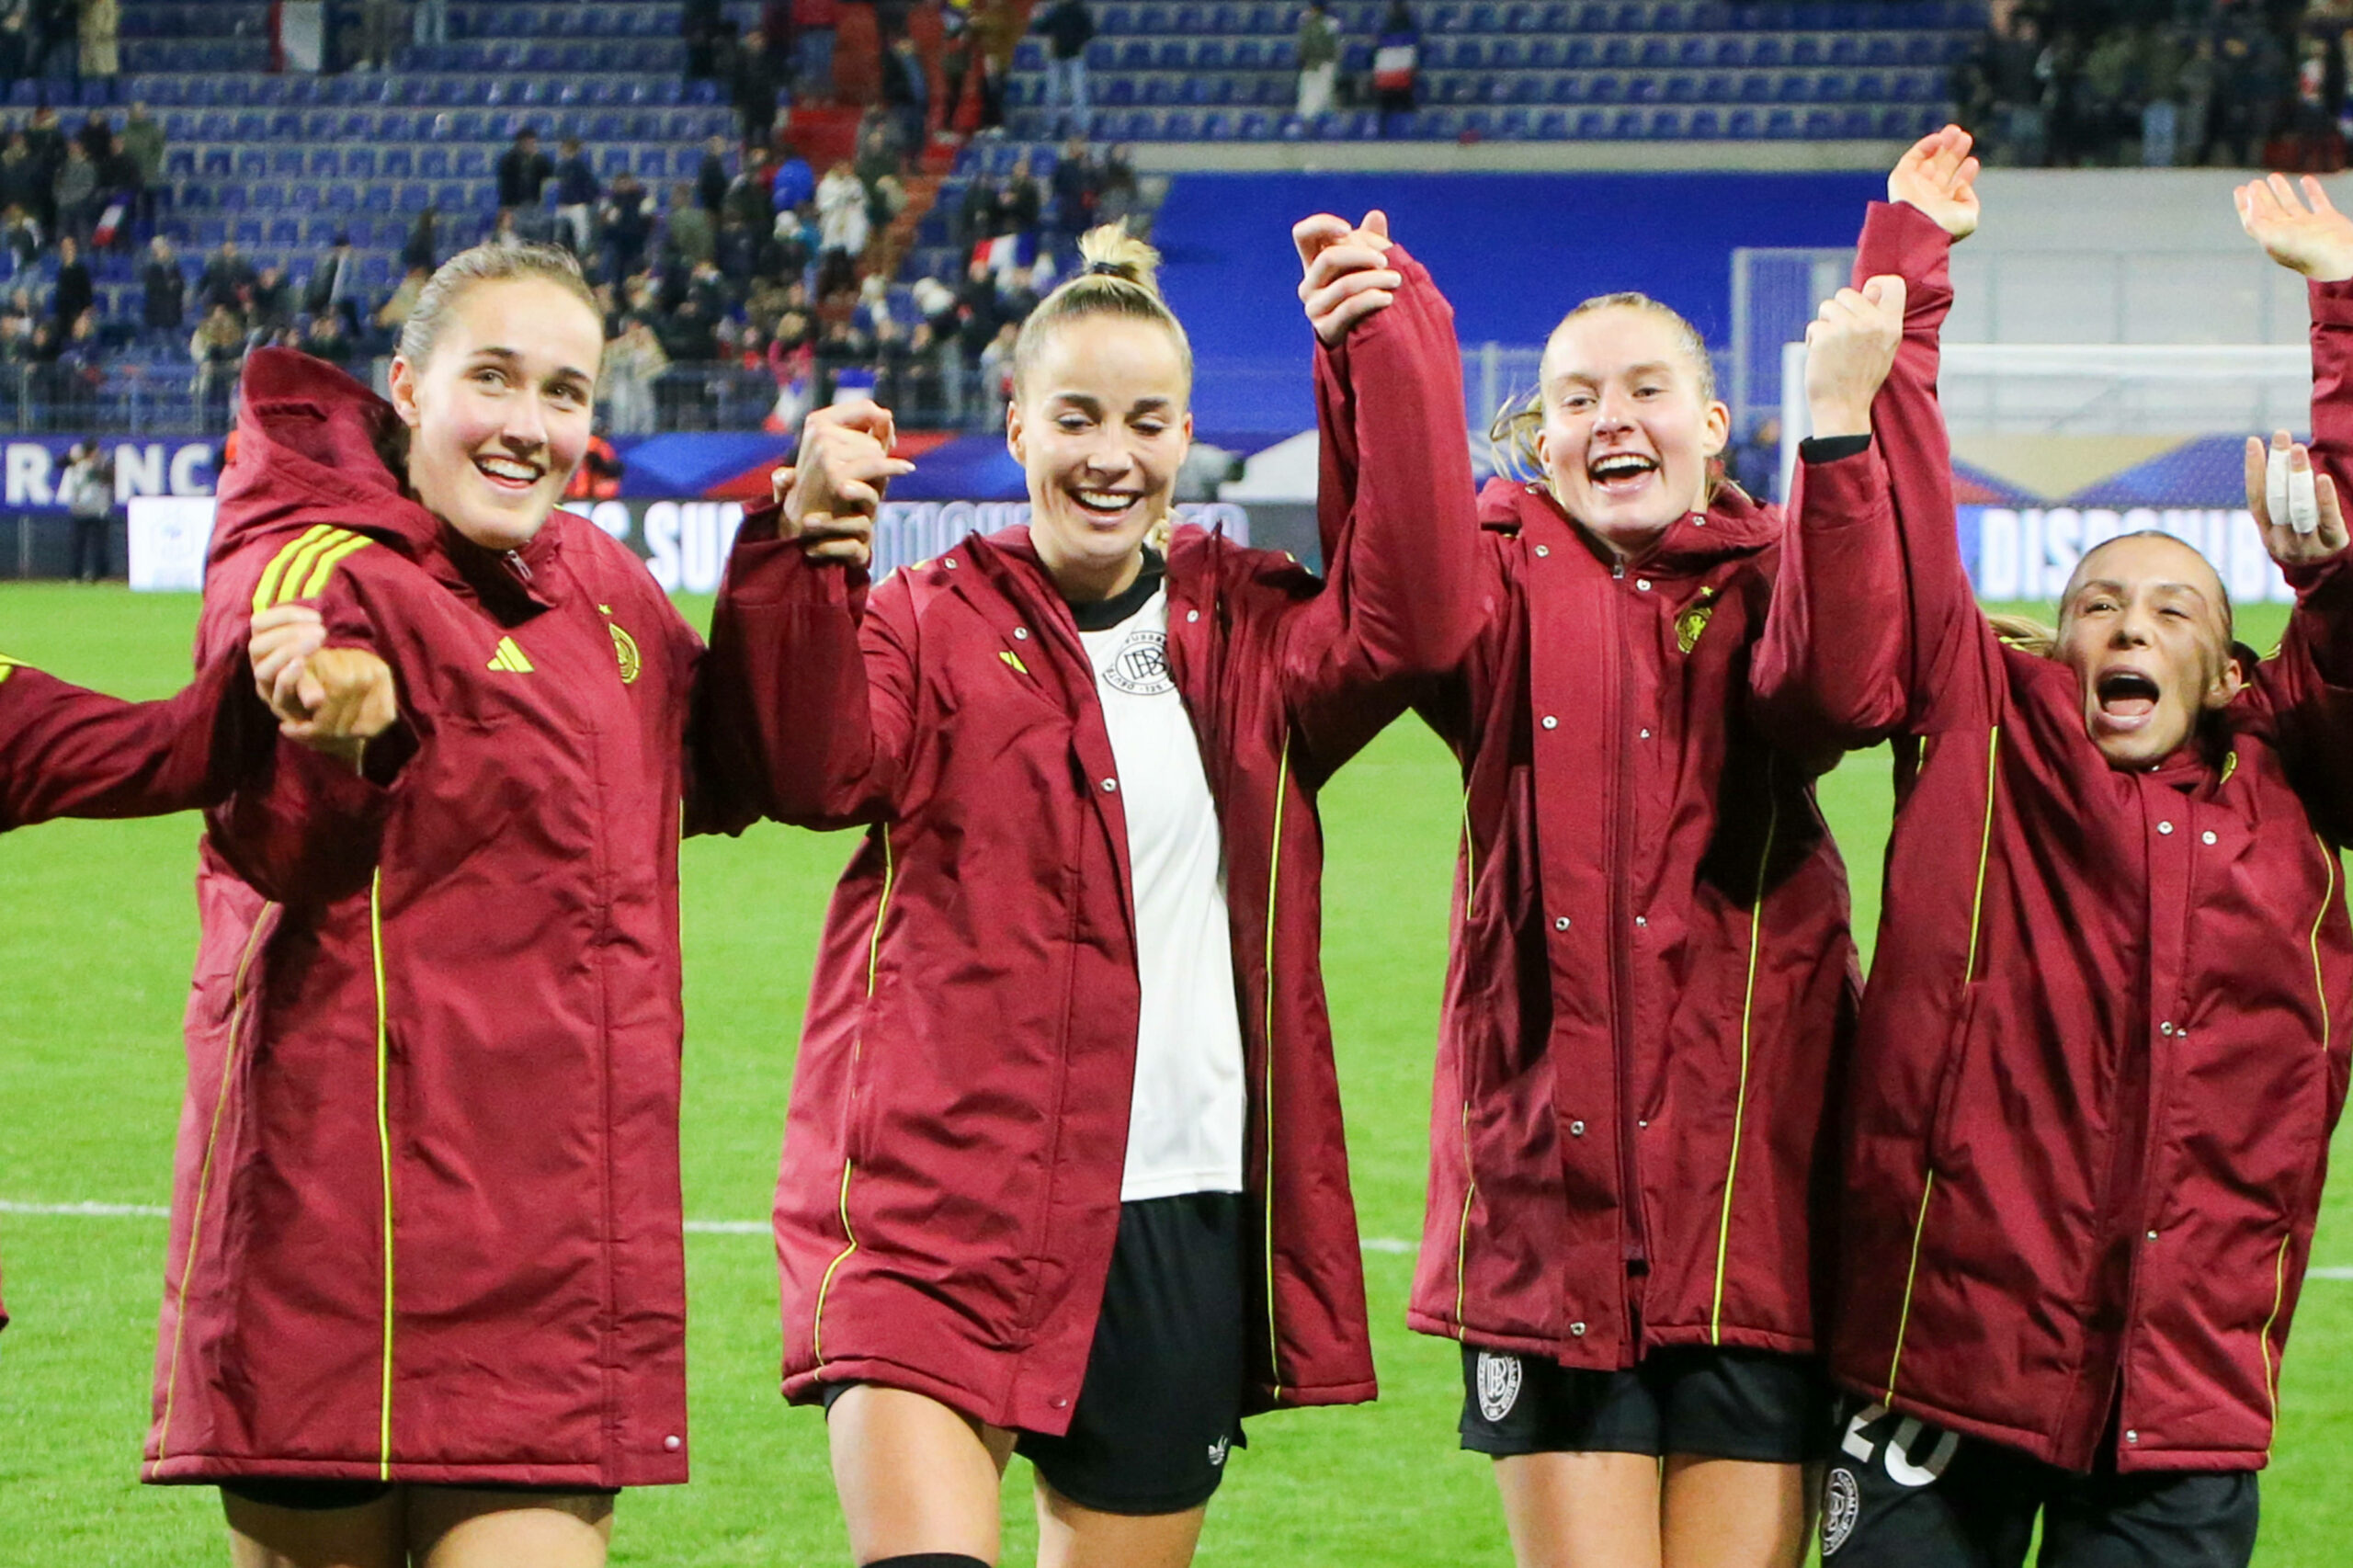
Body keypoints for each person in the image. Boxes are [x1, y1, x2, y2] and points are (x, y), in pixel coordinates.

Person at [710, 215, 1475, 1568]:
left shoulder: (1248, 627)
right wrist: (806, 548)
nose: (1110, 455)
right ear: (1017, 428)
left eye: (1146, 421)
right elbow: (808, 768)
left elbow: (1417, 620)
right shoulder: (927, 618)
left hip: (1177, 1207)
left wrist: (1388, 344)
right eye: (1075, 418)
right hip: (936, 1205)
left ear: (1185, 439)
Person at [142, 240, 770, 1568]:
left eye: (565, 391)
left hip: (550, 1243)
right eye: (495, 378)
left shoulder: (603, 580)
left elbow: (745, 765)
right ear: (409, 386)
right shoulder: (322, 569)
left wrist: (800, 550)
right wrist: (335, 735)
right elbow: (266, 830)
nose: (531, 425)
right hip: (339, 1243)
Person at [1336, 162, 1927, 1568]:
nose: (1612, 415)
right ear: (1539, 441)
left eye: (1646, 386)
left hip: (1752, 1208)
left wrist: (1844, 430)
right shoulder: (1487, 588)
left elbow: (1847, 693)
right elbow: (1400, 582)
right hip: (1550, 1205)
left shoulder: (1782, 572)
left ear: (1713, 426)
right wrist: (1380, 341)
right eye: (1578, 396)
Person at [1790, 137, 2353, 1568]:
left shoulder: (2295, 774)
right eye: (2101, 604)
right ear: (2056, 633)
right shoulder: (1989, 724)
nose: (2128, 631)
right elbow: (1900, 533)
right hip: (1942, 1363)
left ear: (2232, 668)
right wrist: (1907, 275)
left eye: (2173, 612)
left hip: (2185, 1396)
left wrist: (2344, 312)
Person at [1036, 0, 1095, 132]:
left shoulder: (1080, 11)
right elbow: (1043, 28)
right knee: (1052, 95)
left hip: (1074, 57)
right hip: (1056, 58)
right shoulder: (1057, 11)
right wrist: (1038, 17)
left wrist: (1075, 42)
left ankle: (1082, 127)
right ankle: (1050, 127)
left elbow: (1090, 31)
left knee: (1078, 95)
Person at [1371, 0, 1419, 131]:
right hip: (1404, 76)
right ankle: (1410, 133)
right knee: (1406, 107)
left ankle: (1383, 135)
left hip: (1385, 77)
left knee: (1385, 109)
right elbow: (1418, 51)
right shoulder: (1411, 27)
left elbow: (1374, 51)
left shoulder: (1384, 28)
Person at [552, 136, 597, 258]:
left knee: (581, 236)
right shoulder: (561, 166)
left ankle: (582, 257)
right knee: (559, 234)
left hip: (576, 204)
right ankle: (558, 254)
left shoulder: (579, 166)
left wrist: (587, 199)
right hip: (564, 204)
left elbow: (591, 185)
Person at [1295, 0, 1339, 120]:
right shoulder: (1331, 23)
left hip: (1313, 65)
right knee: (1324, 99)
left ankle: (1309, 126)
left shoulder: (1309, 23)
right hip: (1326, 64)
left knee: (1309, 101)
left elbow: (1305, 48)